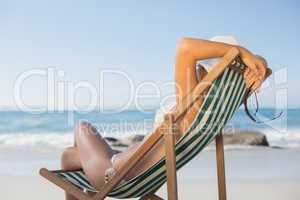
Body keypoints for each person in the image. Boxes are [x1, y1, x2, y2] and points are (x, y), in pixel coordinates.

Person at [60, 36, 267, 200]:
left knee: (82, 127)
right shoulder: (218, 107)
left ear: (204, 70)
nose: (195, 68)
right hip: (131, 168)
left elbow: (185, 47)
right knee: (69, 156)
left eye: (200, 67)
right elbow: (264, 70)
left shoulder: (193, 103)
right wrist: (257, 64)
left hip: (116, 174)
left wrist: (241, 52)